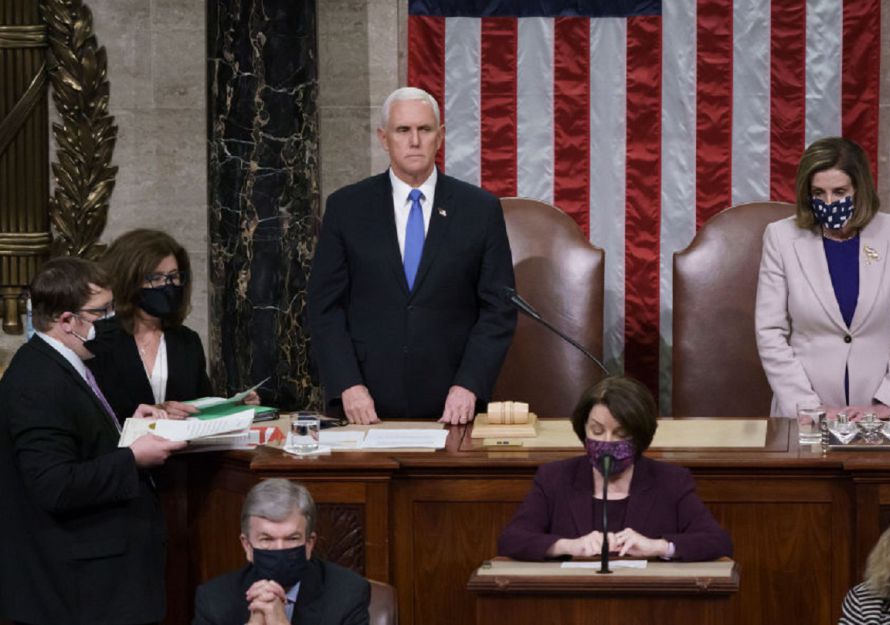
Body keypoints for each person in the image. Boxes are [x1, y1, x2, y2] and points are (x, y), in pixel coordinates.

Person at [308, 86, 516, 425]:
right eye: (403, 130)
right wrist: (347, 383)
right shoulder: (347, 207)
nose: (414, 140)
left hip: (453, 408)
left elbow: (499, 310)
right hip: (364, 407)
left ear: (441, 136)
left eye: (425, 129)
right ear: (384, 137)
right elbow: (324, 306)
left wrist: (469, 385)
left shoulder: (479, 210)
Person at [0, 257, 186, 625]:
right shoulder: (37, 380)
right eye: (101, 313)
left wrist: (128, 426)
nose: (111, 320)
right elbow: (54, 484)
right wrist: (132, 457)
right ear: (67, 320)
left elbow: (79, 439)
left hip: (95, 583)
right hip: (77, 591)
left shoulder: (63, 363)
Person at [755, 137, 890, 418]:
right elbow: (769, 332)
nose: (829, 201)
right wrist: (808, 406)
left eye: (839, 191)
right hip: (805, 411)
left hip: (879, 410)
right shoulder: (781, 237)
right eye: (819, 193)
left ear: (860, 189)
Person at [497, 376, 733, 561]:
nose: (607, 442)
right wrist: (568, 545)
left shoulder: (671, 481)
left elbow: (717, 542)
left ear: (640, 436)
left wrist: (657, 546)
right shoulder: (554, 478)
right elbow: (512, 540)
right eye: (597, 431)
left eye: (621, 433)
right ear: (583, 430)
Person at [87, 229, 258, 421]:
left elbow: (200, 405)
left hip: (182, 448)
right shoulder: (99, 338)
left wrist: (233, 406)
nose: (167, 286)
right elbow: (91, 416)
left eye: (173, 277)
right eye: (156, 278)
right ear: (128, 281)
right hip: (125, 448)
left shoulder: (187, 340)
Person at [193, 479, 371, 625]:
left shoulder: (348, 595)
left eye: (292, 539)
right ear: (247, 546)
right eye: (267, 539)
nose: (280, 549)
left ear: (309, 544)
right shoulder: (214, 600)